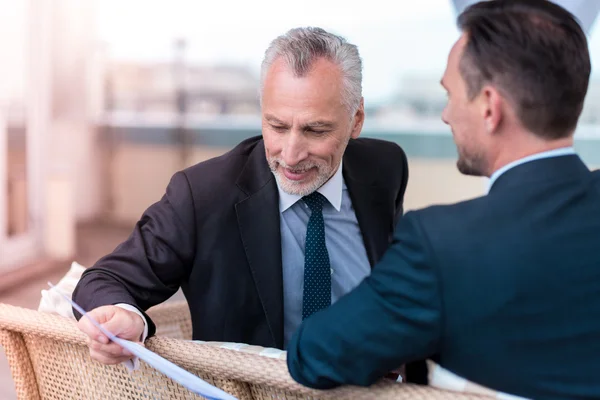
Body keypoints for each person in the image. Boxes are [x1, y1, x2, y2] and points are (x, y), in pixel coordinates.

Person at [286, 1, 600, 399]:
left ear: (489, 107)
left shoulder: (441, 246)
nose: (446, 115)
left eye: (451, 95)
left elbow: (313, 356)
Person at [72, 26, 422, 379]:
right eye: (277, 126)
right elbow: (103, 280)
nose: (291, 154)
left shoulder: (385, 167)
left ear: (356, 120)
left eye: (315, 130)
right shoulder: (203, 195)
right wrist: (126, 316)